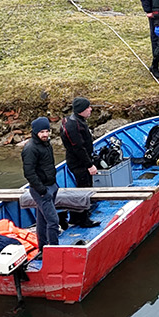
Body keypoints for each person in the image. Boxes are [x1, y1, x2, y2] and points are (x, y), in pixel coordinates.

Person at [58, 96, 100, 228]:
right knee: (84, 189)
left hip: (80, 160)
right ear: (81, 110)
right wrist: (90, 165)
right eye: (88, 108)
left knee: (84, 188)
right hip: (79, 163)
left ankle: (77, 216)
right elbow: (78, 147)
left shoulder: (77, 120)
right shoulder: (73, 124)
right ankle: (82, 219)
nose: (90, 109)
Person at [22, 116, 59, 249]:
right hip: (41, 190)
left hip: (52, 186)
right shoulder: (30, 149)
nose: (45, 134)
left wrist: (54, 185)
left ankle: (43, 247)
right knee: (53, 221)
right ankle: (54, 249)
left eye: (47, 131)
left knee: (42, 220)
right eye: (42, 132)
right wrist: (42, 190)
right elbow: (29, 173)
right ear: (36, 132)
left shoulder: (46, 144)